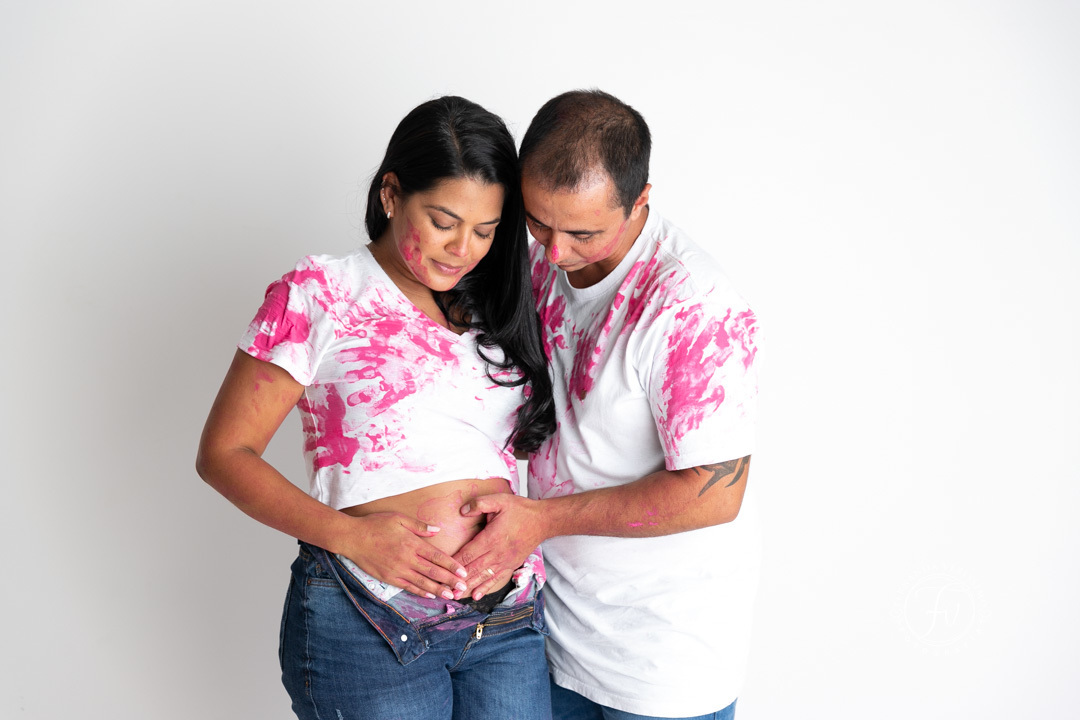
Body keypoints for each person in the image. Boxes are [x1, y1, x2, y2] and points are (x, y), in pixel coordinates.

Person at [196, 95, 556, 720]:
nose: (463, 248)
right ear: (391, 194)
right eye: (443, 221)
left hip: (506, 618)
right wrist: (353, 537)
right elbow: (224, 454)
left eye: (486, 230)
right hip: (370, 618)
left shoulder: (496, 307)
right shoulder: (320, 293)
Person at [453, 90, 760, 720]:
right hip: (545, 637)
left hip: (659, 666)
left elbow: (715, 493)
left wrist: (539, 521)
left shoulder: (692, 305)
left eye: (583, 233)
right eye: (539, 223)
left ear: (640, 199)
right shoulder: (537, 257)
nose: (555, 252)